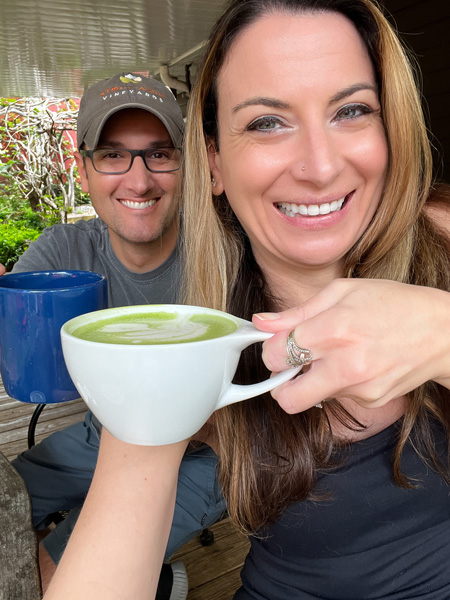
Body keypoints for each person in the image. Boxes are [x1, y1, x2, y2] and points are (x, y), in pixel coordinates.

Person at [43, 1, 450, 598]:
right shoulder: (199, 336)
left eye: (353, 111)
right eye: (266, 122)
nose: (319, 165)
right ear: (212, 163)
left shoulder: (442, 236)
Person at [6, 72, 225, 598]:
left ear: (188, 164)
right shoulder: (63, 253)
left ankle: (151, 576)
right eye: (111, 155)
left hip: (217, 453)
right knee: (5, 514)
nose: (138, 180)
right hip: (102, 434)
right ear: (84, 169)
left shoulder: (227, 250)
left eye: (159, 154)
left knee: (56, 572)